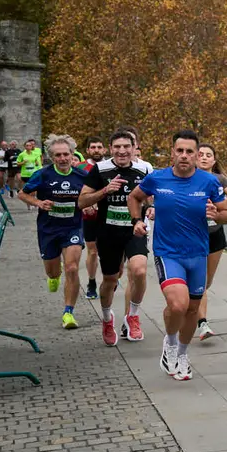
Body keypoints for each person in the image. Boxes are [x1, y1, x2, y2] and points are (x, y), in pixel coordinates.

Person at [129, 130, 227, 381]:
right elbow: (135, 197)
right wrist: (136, 221)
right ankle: (171, 343)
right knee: (178, 304)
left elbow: (226, 213)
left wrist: (217, 214)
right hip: (168, 253)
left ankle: (182, 354)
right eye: (180, 151)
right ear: (172, 152)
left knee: (192, 310)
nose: (184, 156)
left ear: (197, 155)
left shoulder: (209, 181)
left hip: (197, 253)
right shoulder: (157, 178)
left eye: (189, 152)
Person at [78, 131, 151, 346]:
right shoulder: (100, 170)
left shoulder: (145, 169)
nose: (122, 151)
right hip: (108, 232)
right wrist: (104, 191)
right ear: (110, 149)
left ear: (134, 147)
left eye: (126, 146)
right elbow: (82, 201)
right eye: (117, 147)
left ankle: (133, 316)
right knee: (110, 279)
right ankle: (107, 319)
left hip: (134, 229)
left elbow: (153, 196)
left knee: (139, 270)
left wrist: (152, 207)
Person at [18, 134, 87, 329]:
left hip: (72, 227)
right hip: (48, 229)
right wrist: (39, 202)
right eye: (58, 155)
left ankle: (68, 313)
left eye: (66, 154)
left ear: (72, 155)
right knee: (53, 270)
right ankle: (54, 277)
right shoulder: (43, 174)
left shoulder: (82, 176)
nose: (63, 158)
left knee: (72, 268)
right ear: (52, 157)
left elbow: (92, 195)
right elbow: (22, 193)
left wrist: (92, 205)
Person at [194, 143, 227, 340]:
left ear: (214, 160)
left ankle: (195, 307)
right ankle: (202, 323)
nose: (204, 158)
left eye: (208, 155)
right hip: (194, 234)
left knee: (207, 281)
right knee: (199, 283)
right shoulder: (188, 178)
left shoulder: (220, 179)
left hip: (215, 234)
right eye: (201, 154)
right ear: (195, 158)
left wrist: (216, 198)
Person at [79, 137, 108, 300]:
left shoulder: (111, 165)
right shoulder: (81, 167)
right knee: (92, 250)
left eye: (99, 147)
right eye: (93, 147)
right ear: (88, 150)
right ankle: (91, 282)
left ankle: (110, 278)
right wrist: (87, 203)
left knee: (110, 250)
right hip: (89, 215)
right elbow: (78, 189)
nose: (96, 150)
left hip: (108, 214)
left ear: (104, 149)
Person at [16, 139, 42, 208]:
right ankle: (29, 205)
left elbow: (37, 163)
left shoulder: (35, 154)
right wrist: (23, 163)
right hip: (25, 174)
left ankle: (32, 203)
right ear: (25, 147)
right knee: (26, 191)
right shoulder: (22, 154)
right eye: (27, 145)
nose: (28, 147)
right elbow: (17, 164)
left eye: (30, 145)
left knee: (33, 191)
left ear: (31, 147)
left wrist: (37, 163)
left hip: (33, 174)